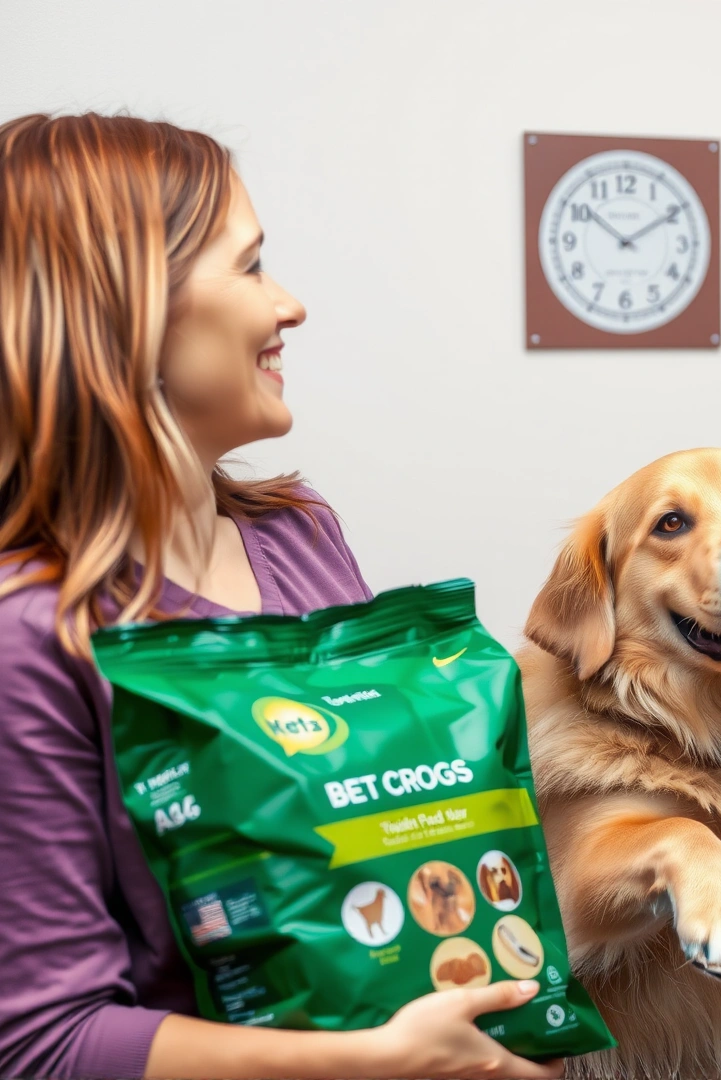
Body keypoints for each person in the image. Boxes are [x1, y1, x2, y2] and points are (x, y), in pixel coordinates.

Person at [0, 113, 560, 1079]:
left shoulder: (297, 532)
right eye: (251, 267)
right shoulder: (31, 638)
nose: (290, 305)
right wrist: (378, 1064)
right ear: (128, 308)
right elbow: (45, 1043)